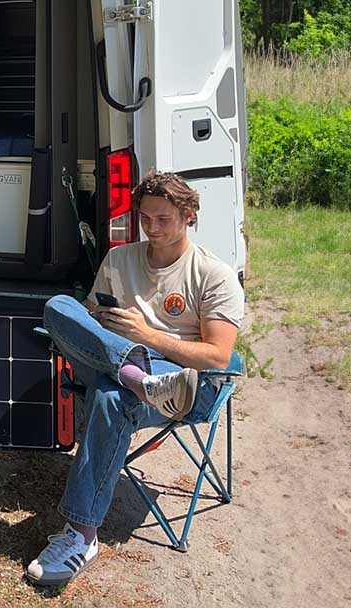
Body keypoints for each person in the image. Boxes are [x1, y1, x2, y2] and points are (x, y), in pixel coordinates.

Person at [25, 170, 245, 586]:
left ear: (189, 216)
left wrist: (148, 336)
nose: (152, 228)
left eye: (163, 219)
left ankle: (80, 536)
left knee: (111, 397)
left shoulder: (213, 274)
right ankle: (133, 373)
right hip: (120, 366)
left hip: (183, 384)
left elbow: (218, 355)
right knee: (58, 306)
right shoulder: (119, 259)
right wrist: (99, 324)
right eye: (145, 218)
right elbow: (85, 318)